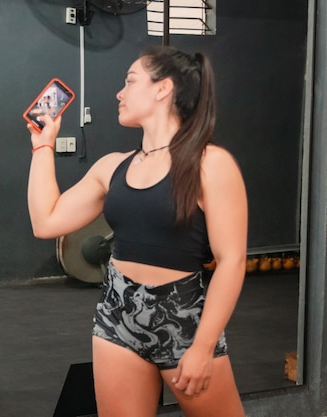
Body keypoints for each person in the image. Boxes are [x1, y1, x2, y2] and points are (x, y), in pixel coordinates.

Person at [27, 45, 247, 417]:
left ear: (163, 89)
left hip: (183, 324)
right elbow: (45, 222)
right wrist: (42, 146)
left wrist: (203, 347)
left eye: (130, 81)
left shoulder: (211, 164)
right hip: (117, 320)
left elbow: (232, 260)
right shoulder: (112, 167)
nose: (119, 93)